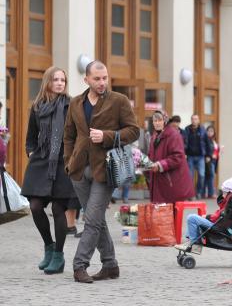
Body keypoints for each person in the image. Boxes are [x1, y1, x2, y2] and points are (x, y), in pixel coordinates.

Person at [64, 60, 139, 283]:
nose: (102, 82)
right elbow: (69, 136)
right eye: (97, 79)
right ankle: (110, 265)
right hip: (78, 170)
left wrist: (107, 136)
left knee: (91, 219)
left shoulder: (119, 101)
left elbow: (133, 131)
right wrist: (68, 162)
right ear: (86, 79)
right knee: (97, 220)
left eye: (105, 78)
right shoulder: (76, 103)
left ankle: (79, 265)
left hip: (105, 169)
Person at [20, 66, 79, 275]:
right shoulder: (37, 107)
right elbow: (30, 137)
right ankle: (49, 246)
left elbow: (80, 133)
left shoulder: (72, 105)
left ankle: (59, 255)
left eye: (63, 80)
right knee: (35, 206)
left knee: (57, 209)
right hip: (41, 160)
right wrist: (30, 152)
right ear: (48, 82)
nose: (60, 83)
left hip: (63, 162)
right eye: (56, 79)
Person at [174, 177, 232, 254]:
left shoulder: (231, 200)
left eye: (224, 192)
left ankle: (194, 244)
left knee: (192, 218)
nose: (223, 195)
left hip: (219, 226)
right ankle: (191, 242)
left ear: (230, 192)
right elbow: (221, 213)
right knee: (194, 219)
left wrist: (207, 217)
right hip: (221, 224)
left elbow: (220, 215)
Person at [147, 110, 194, 203]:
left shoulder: (173, 135)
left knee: (171, 213)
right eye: (154, 121)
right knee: (160, 213)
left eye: (159, 120)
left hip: (172, 182)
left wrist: (160, 165)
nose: (157, 123)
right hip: (159, 182)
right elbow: (151, 155)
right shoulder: (155, 135)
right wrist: (145, 164)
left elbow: (178, 157)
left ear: (165, 120)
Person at [184, 114, 208, 199]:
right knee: (190, 176)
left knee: (201, 175)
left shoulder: (202, 129)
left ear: (198, 120)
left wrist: (208, 155)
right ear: (191, 120)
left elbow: (207, 142)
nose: (194, 120)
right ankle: (190, 194)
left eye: (196, 119)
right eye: (193, 119)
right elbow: (184, 142)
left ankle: (198, 192)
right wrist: (184, 153)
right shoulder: (187, 129)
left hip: (201, 156)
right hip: (190, 156)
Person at [203, 125, 220, 198]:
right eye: (208, 131)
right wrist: (209, 156)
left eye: (212, 131)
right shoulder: (205, 140)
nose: (210, 132)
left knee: (209, 176)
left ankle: (206, 192)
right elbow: (205, 150)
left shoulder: (214, 140)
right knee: (211, 175)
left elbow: (215, 150)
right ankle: (211, 193)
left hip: (215, 160)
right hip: (209, 160)